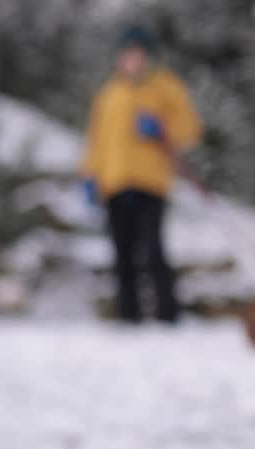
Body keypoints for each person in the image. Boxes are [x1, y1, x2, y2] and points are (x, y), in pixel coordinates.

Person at [80, 24, 201, 324]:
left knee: (153, 249)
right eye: (126, 54)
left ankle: (167, 315)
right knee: (121, 252)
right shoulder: (109, 95)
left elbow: (190, 129)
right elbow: (97, 140)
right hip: (115, 182)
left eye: (137, 54)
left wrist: (163, 128)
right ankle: (128, 315)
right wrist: (89, 176)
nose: (131, 60)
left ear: (148, 57)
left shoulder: (165, 88)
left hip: (151, 182)